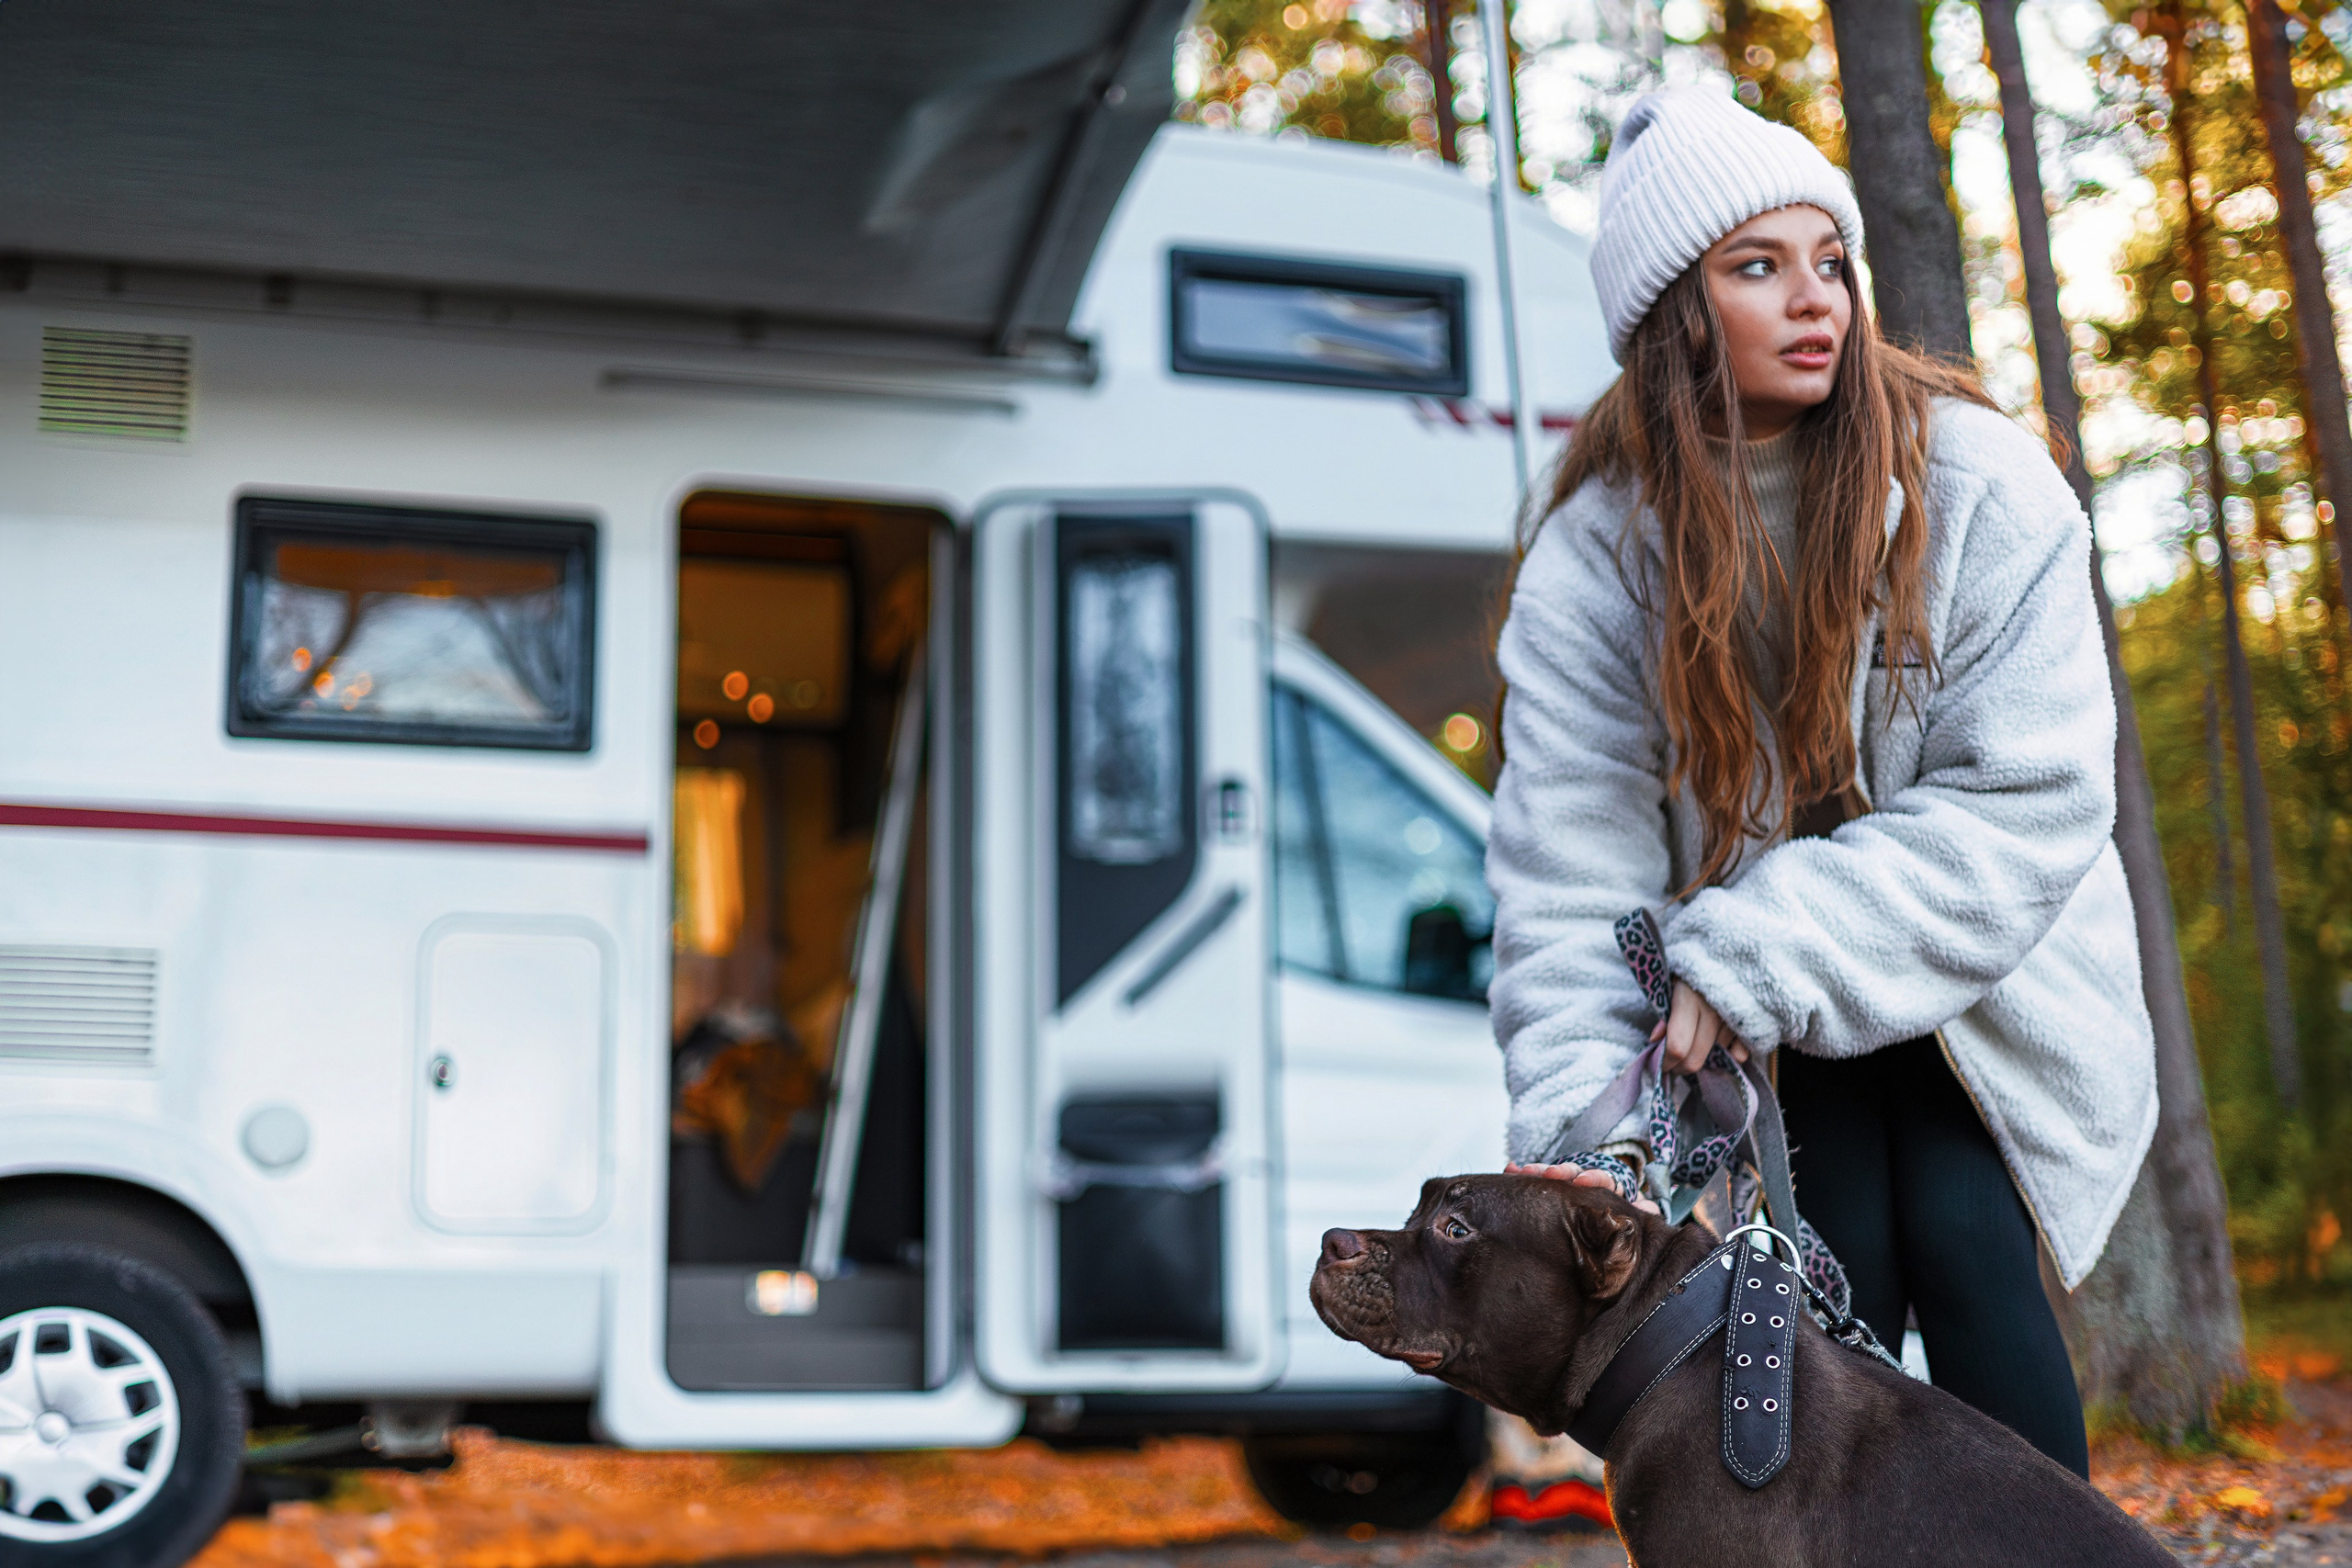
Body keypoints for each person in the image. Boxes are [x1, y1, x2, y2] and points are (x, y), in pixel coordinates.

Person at [1486, 86, 2156, 1479]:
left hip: (1987, 960)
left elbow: (2025, 799)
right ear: (1676, 313)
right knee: (1821, 1254)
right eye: (1758, 266)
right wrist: (1576, 1137)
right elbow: (1569, 866)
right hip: (1761, 1019)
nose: (1818, 299)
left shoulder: (1978, 482)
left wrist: (1757, 948)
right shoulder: (1599, 557)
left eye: (1830, 259)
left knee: (1969, 1235)